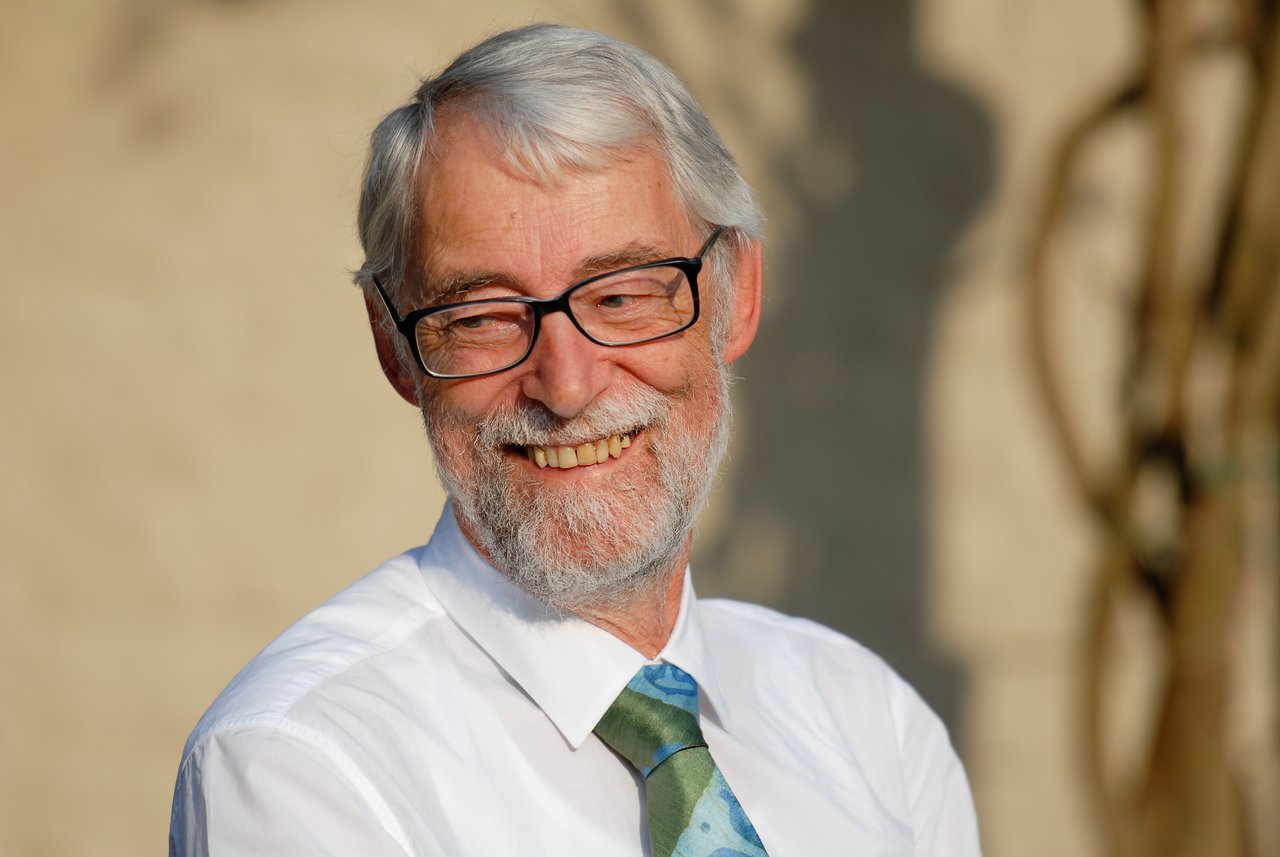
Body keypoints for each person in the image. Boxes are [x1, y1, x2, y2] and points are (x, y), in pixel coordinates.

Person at [169, 23, 981, 857]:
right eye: (481, 315)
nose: (567, 384)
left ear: (736, 294)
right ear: (394, 347)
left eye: (623, 296)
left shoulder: (875, 730)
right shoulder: (302, 764)